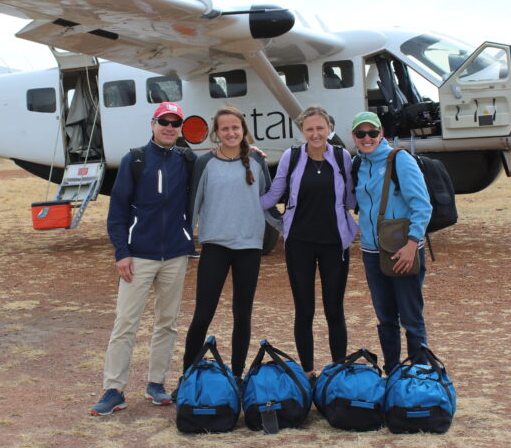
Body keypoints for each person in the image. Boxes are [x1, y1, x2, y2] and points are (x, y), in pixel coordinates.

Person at [91, 101, 195, 416]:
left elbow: (224, 162)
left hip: (176, 255)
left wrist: (253, 153)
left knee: (167, 323)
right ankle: (114, 389)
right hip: (139, 256)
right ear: (152, 124)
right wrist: (122, 252)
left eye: (175, 123)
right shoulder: (134, 159)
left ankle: (156, 384)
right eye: (164, 121)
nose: (169, 127)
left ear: (180, 129)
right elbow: (118, 209)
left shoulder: (188, 160)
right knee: (126, 322)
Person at [181, 105, 280, 381]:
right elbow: (193, 206)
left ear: (243, 130)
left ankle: (237, 376)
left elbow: (268, 204)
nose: (230, 132)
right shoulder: (205, 163)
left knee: (242, 314)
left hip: (249, 247)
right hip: (216, 247)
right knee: (203, 314)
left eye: (235, 127)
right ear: (216, 132)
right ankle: (188, 375)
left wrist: (288, 230)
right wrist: (185, 245)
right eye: (224, 128)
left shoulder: (258, 162)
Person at [260, 105, 358, 377]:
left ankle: (337, 372)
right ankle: (308, 372)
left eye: (320, 128)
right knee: (304, 312)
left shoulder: (342, 157)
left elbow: (351, 198)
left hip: (334, 245)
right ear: (302, 131)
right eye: (309, 129)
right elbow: (271, 197)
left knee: (334, 310)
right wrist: (277, 223)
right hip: (299, 245)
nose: (315, 134)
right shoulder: (291, 158)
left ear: (329, 129)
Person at [349, 111, 432, 374]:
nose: (367, 138)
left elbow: (422, 204)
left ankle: (419, 375)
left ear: (381, 133)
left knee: (411, 317)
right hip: (372, 252)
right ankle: (393, 372)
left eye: (372, 133)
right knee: (385, 319)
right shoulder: (356, 165)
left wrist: (412, 244)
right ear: (354, 137)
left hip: (402, 250)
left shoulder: (400, 160)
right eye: (361, 134)